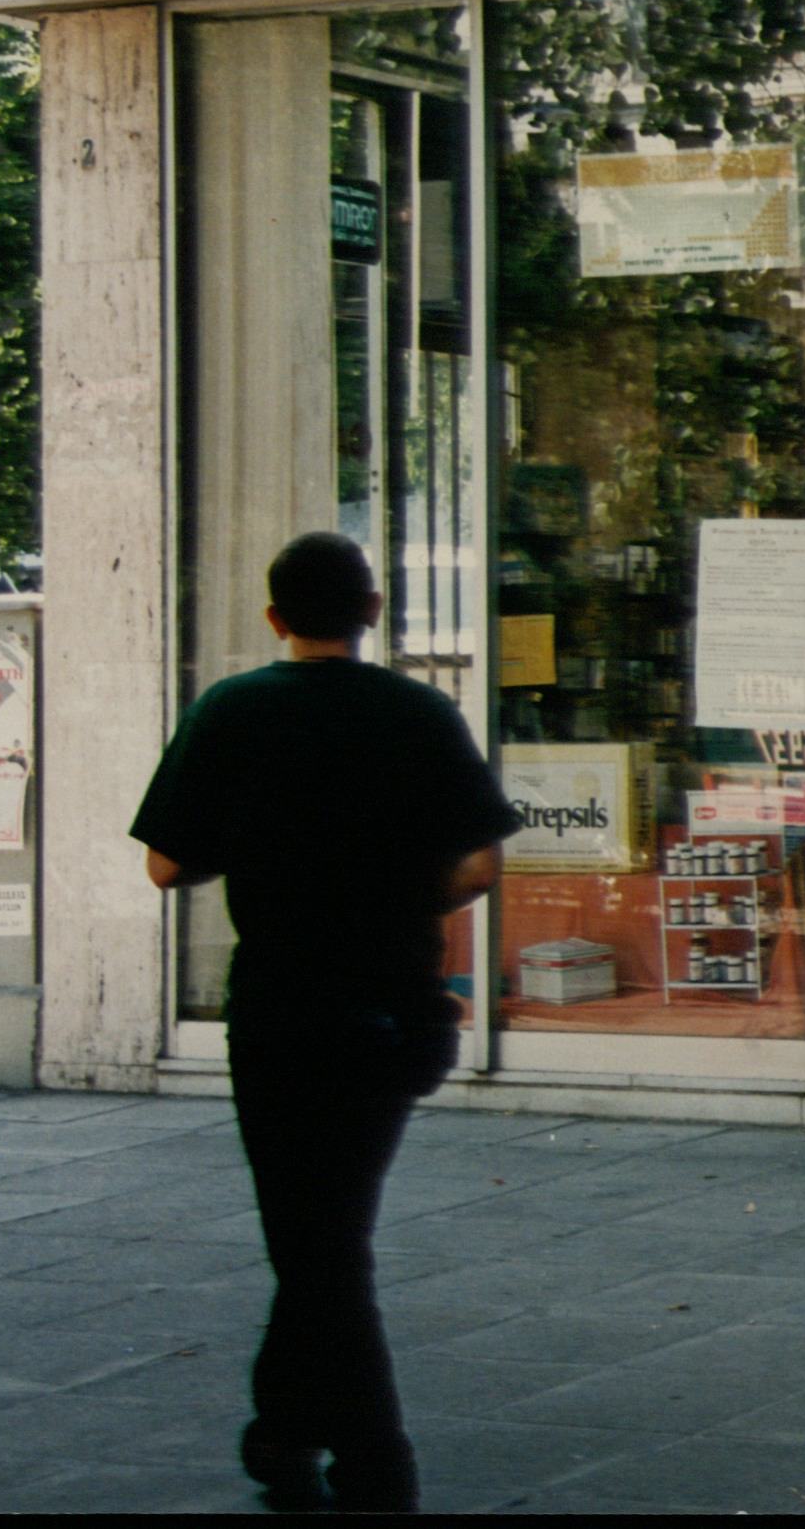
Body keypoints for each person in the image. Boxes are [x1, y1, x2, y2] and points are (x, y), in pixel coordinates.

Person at [131, 532, 520, 1514]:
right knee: (328, 1234)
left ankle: (374, 1458)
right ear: (372, 612)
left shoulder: (231, 710)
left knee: (314, 1244)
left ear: (274, 617)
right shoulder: (421, 711)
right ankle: (283, 1428)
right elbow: (479, 865)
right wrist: (396, 895)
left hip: (280, 1007)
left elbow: (167, 864)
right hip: (395, 1001)